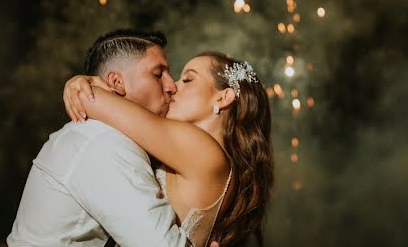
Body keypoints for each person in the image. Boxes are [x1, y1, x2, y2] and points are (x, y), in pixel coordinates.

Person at [63, 50, 274, 247]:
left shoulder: (202, 149)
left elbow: (92, 100)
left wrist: (81, 83)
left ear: (223, 97)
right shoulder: (215, 160)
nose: (173, 86)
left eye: (188, 79)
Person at [7, 30, 192, 247]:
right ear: (116, 81)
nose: (172, 86)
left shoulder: (100, 135)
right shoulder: (105, 142)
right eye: (158, 74)